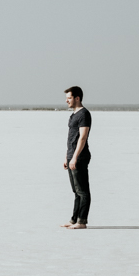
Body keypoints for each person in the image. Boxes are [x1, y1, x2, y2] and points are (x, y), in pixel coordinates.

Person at [61, 86, 91, 229]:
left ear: (77, 98)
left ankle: (82, 221)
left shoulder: (84, 114)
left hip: (79, 157)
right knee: (76, 191)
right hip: (71, 156)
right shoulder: (73, 115)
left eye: (69, 98)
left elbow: (82, 137)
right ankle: (74, 220)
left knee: (82, 191)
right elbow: (71, 138)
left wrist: (74, 157)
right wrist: (67, 157)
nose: (67, 101)